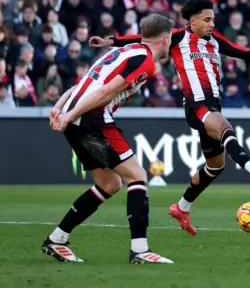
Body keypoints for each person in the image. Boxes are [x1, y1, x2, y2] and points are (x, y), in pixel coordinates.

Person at [89, 0, 250, 236]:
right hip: (196, 105)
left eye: (213, 19)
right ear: (192, 21)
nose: (212, 24)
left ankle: (182, 207)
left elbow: (243, 52)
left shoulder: (215, 41)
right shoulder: (178, 37)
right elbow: (144, 39)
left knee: (215, 166)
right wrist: (109, 41)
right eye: (207, 20)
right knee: (223, 126)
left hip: (213, 104)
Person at [44, 14, 175, 264]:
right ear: (165, 38)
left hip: (76, 116)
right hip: (91, 118)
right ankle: (140, 249)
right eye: (171, 39)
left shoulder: (123, 51)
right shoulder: (144, 61)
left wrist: (60, 108)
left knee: (110, 184)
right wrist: (69, 114)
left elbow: (84, 84)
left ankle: (57, 239)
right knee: (137, 176)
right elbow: (105, 91)